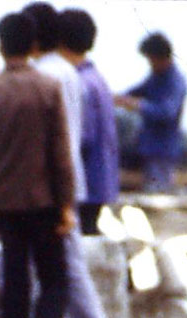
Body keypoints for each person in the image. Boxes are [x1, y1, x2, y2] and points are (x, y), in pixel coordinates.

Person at [0, 10, 79, 318]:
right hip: (43, 198)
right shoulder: (48, 88)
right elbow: (60, 153)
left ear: (0, 47)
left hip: (4, 202)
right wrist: (67, 203)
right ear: (34, 45)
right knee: (55, 277)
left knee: (14, 279)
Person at [25, 3, 118, 318]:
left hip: (53, 185)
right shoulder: (71, 75)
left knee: (66, 267)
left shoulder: (49, 76)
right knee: (66, 266)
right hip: (69, 182)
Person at [63, 8, 120, 236]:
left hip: (88, 183)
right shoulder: (95, 78)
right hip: (101, 181)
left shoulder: (80, 83)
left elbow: (82, 137)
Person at [115, 31, 187, 191]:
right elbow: (138, 90)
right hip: (146, 146)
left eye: (151, 60)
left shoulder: (175, 82)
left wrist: (139, 105)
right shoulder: (156, 77)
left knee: (156, 192)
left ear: (160, 57)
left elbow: (166, 112)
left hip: (162, 151)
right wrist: (118, 98)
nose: (150, 64)